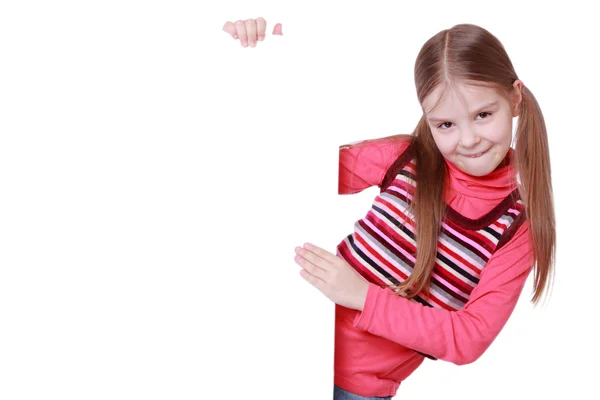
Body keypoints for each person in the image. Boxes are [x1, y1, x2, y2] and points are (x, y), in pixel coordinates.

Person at [223, 20, 556, 399]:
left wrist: (363, 297)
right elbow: (283, 168)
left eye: (483, 115)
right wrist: (261, 55)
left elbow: (469, 338)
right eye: (446, 124)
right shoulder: (405, 158)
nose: (468, 139)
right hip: (278, 350)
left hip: (356, 390)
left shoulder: (517, 229)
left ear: (514, 99)